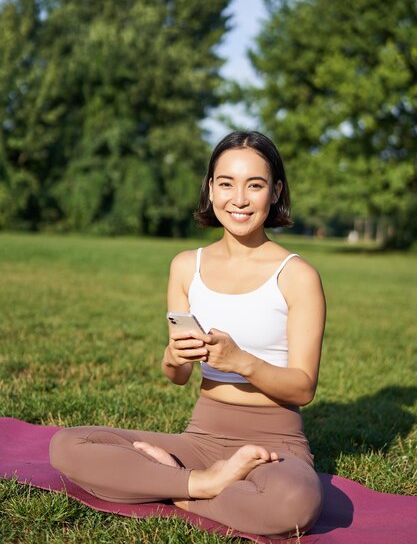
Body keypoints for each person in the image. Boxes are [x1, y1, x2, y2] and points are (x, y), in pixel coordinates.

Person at [49, 130, 326, 538]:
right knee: (66, 445)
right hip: (202, 438)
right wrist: (175, 357)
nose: (240, 198)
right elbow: (176, 376)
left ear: (276, 191)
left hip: (275, 444)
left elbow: (302, 389)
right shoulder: (185, 267)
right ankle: (204, 483)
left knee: (293, 505)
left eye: (256, 185)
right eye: (227, 183)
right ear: (211, 189)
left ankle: (175, 485)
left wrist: (241, 361)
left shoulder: (298, 276)